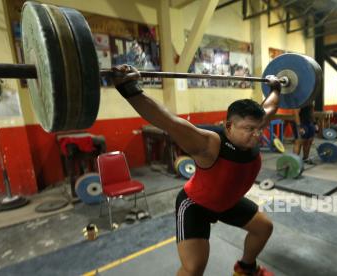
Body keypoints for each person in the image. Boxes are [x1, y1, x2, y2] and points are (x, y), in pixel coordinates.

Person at [112, 64, 281, 276]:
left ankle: (245, 269)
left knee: (263, 228)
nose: (257, 135)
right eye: (249, 129)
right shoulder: (209, 144)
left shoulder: (251, 129)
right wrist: (129, 89)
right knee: (193, 269)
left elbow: (270, 108)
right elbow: (169, 122)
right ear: (229, 126)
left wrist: (277, 87)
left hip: (227, 202)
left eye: (259, 129)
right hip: (196, 205)